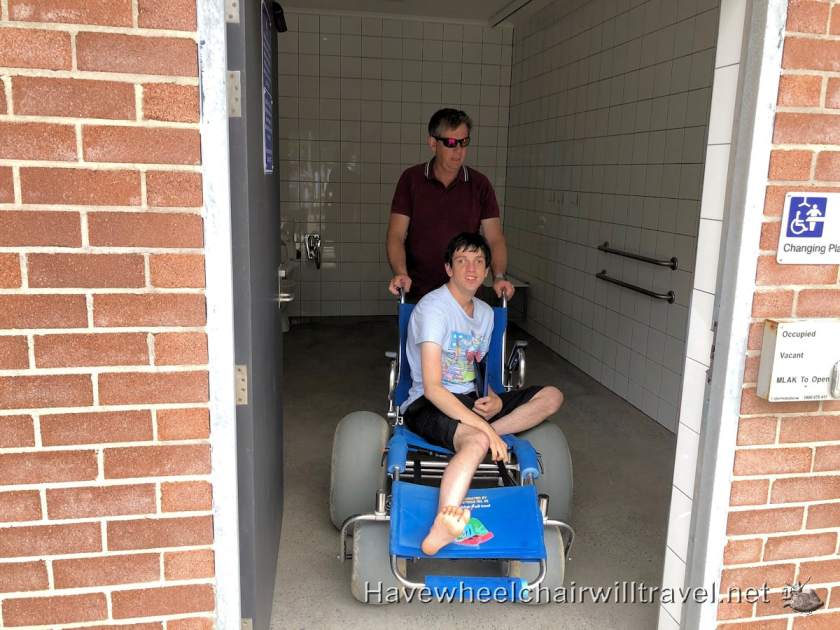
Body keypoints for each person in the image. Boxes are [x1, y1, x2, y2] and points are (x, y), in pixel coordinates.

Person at [401, 232, 564, 555]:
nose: (471, 268)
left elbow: (473, 371)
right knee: (476, 440)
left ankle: (489, 434)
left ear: (488, 270)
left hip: (470, 400)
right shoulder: (433, 309)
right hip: (428, 402)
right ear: (449, 268)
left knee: (552, 396)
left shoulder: (486, 315)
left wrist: (497, 401)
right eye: (462, 261)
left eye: (478, 261)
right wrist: (485, 430)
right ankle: (442, 526)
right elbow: (433, 388)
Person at [387, 108, 515, 302]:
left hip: (466, 297)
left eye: (464, 143)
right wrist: (400, 273)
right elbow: (396, 235)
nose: (458, 151)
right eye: (451, 143)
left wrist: (498, 277)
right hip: (419, 295)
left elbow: (495, 238)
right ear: (433, 143)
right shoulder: (411, 180)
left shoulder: (479, 184)